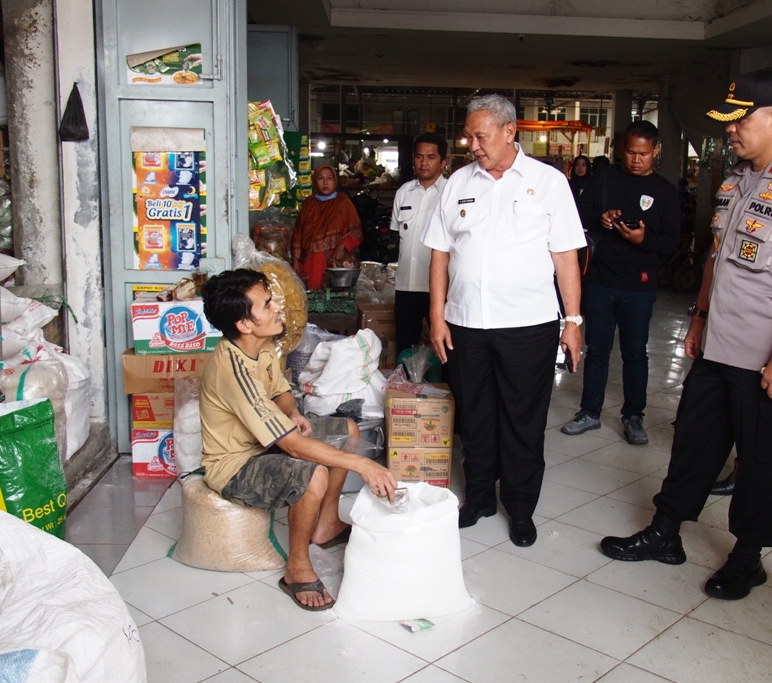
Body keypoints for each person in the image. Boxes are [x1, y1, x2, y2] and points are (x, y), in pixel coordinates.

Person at [599, 68, 772, 601]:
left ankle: (748, 556)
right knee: (693, 444)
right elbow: (716, 256)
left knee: (759, 462)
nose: (730, 131)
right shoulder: (736, 179)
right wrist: (701, 316)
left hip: (766, 360)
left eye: (740, 121)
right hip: (717, 346)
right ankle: (666, 532)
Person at [422, 94, 586, 548]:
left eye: (481, 135)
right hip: (466, 323)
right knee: (474, 417)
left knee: (523, 419)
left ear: (509, 132)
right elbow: (439, 252)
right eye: (469, 136)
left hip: (528, 325)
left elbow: (565, 254)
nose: (473, 144)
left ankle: (520, 507)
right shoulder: (457, 182)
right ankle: (478, 499)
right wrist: (437, 316)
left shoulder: (548, 182)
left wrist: (573, 320)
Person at [199, 269, 397, 611]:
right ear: (245, 323)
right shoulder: (233, 370)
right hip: (235, 464)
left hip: (266, 441)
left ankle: (327, 523)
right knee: (313, 474)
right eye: (266, 304)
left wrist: (292, 412)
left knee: (346, 429)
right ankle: (296, 568)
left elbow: (279, 391)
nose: (277, 307)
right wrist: (364, 465)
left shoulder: (261, 347)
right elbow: (291, 446)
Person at [561, 121, 681, 445]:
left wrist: (644, 239)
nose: (636, 159)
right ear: (620, 150)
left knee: (635, 354)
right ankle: (590, 412)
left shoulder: (666, 191)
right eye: (630, 152)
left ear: (655, 151)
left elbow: (673, 241)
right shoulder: (604, 178)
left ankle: (633, 416)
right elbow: (578, 214)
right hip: (600, 280)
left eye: (643, 153)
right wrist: (599, 218)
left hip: (640, 287)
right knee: (597, 350)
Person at [391, 134, 448, 355]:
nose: (424, 162)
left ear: (443, 162)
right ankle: (404, 390)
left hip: (441, 288)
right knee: (405, 348)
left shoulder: (452, 192)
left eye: (431, 157)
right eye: (419, 156)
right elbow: (398, 236)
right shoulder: (403, 192)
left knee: (444, 349)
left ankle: (444, 389)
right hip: (406, 286)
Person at [291, 165, 362, 289]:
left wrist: (342, 246)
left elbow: (355, 231)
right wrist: (296, 261)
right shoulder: (309, 204)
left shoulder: (343, 202)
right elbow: (298, 233)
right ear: (315, 181)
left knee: (332, 299)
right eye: (320, 178)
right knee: (311, 297)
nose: (325, 182)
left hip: (333, 261)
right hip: (309, 262)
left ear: (335, 181)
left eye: (329, 178)